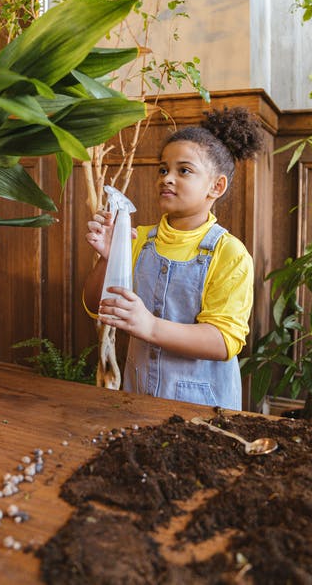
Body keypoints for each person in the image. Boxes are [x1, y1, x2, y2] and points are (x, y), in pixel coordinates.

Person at [83, 107, 264, 410]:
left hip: (205, 409)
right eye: (163, 169)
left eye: (184, 170)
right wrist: (108, 259)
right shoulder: (136, 239)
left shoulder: (229, 253)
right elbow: (95, 307)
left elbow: (223, 342)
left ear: (216, 186)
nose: (167, 178)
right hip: (138, 399)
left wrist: (149, 326)